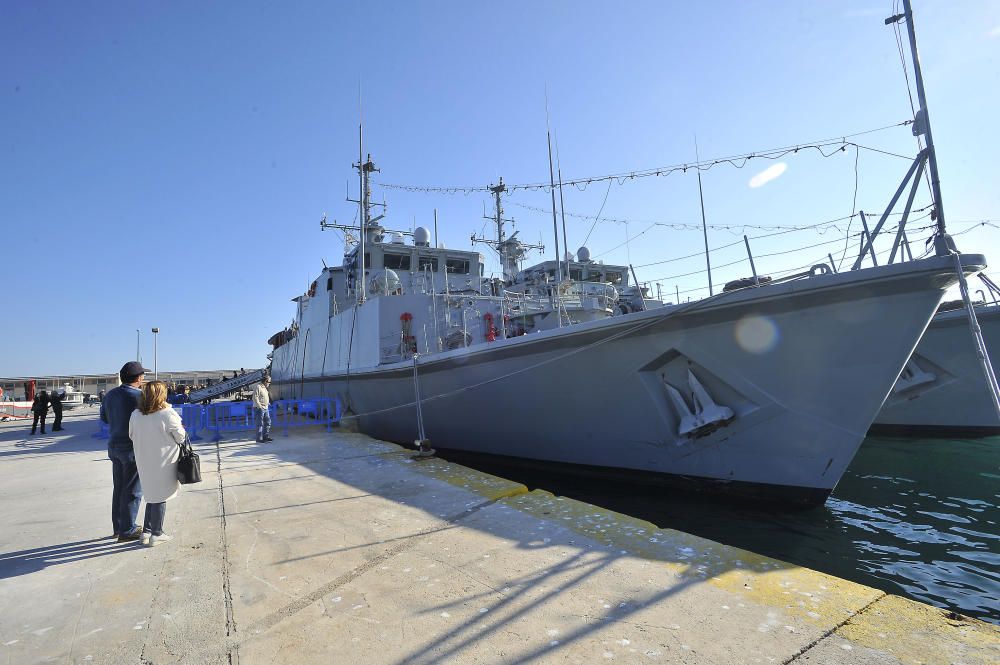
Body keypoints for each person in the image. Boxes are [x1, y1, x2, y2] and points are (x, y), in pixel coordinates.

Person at [129, 381, 185, 546]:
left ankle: (146, 531)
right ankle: (157, 533)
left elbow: (131, 435)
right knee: (161, 495)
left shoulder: (135, 414)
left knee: (151, 495)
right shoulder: (167, 413)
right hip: (164, 460)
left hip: (143, 458)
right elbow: (180, 436)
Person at [101, 361, 149, 542]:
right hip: (131, 447)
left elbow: (105, 418)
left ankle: (118, 526)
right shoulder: (140, 396)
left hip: (114, 445)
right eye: (143, 375)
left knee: (119, 487)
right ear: (138, 377)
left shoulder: (110, 395)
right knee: (133, 490)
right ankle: (127, 530)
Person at [252, 375, 273, 442]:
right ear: (265, 381)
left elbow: (264, 397)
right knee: (260, 423)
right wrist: (259, 406)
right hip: (259, 408)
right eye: (269, 382)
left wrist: (268, 403)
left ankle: (265, 436)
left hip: (266, 408)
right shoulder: (258, 387)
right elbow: (255, 397)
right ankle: (259, 438)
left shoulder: (264, 388)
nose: (269, 383)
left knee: (268, 422)